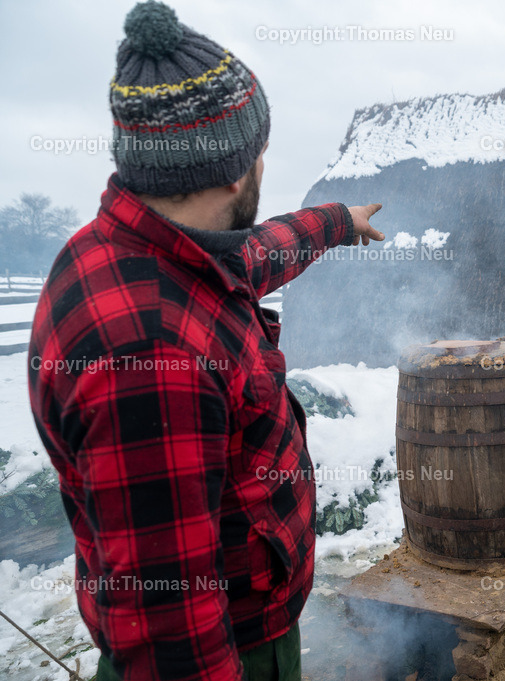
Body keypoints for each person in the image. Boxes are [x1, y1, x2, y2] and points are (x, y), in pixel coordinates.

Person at [26, 3, 384, 680]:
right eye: (258, 150)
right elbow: (171, 629)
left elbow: (257, 251)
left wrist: (340, 220)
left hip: (251, 620)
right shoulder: (151, 356)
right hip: (230, 650)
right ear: (231, 172)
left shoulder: (152, 251)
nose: (263, 162)